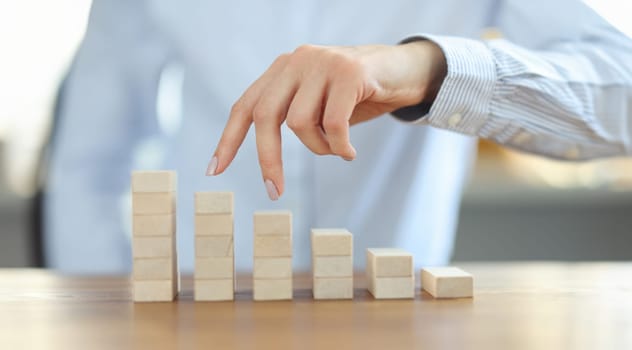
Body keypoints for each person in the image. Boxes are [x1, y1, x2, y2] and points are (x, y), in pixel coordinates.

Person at [45, 0, 632, 274]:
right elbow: (90, 164)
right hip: (201, 313)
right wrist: (112, 314)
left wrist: (430, 69)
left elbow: (622, 97)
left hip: (398, 320)